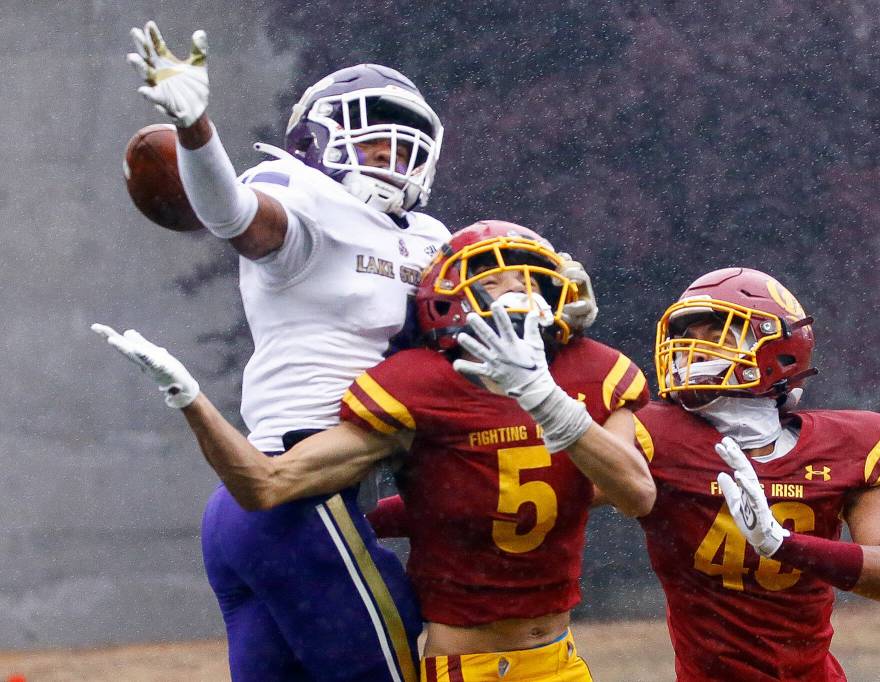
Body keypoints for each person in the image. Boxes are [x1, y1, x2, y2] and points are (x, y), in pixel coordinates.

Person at [124, 21, 592, 682]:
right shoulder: (302, 199)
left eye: (404, 147)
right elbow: (234, 217)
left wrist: (561, 301)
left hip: (281, 499)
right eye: (373, 139)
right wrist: (199, 129)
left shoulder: (431, 236)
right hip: (298, 494)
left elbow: (486, 309)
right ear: (316, 137)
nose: (391, 157)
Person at [94, 221, 654, 682]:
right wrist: (190, 400)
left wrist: (540, 395)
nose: (516, 294)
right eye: (493, 279)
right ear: (448, 301)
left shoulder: (594, 371)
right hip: (472, 664)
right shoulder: (421, 387)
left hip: (562, 656)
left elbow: (634, 493)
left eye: (526, 279)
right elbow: (264, 484)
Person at [633, 267, 880, 681]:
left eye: (715, 335)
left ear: (779, 350)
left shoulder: (848, 444)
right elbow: (558, 483)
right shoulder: (653, 436)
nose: (693, 352)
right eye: (687, 337)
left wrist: (782, 544)